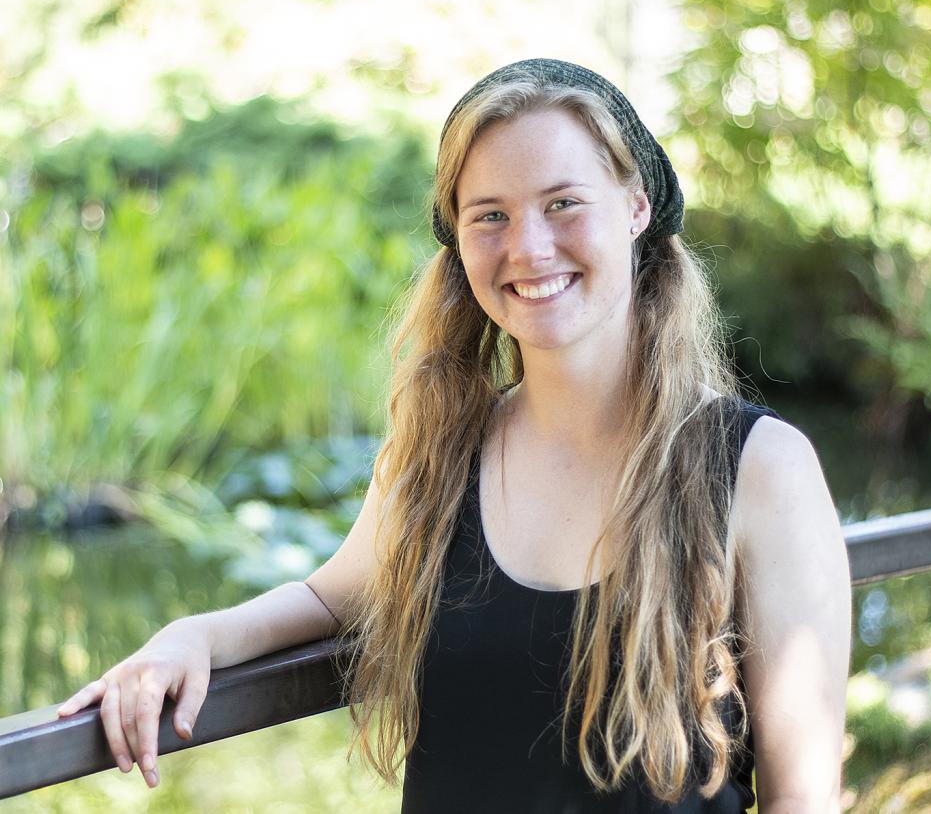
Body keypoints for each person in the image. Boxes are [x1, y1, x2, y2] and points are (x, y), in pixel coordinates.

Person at [57, 59, 852, 812]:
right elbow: (329, 598)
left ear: (637, 206)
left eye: (563, 203)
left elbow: (800, 798)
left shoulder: (759, 467)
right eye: (491, 216)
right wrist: (190, 637)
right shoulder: (442, 452)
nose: (528, 247)